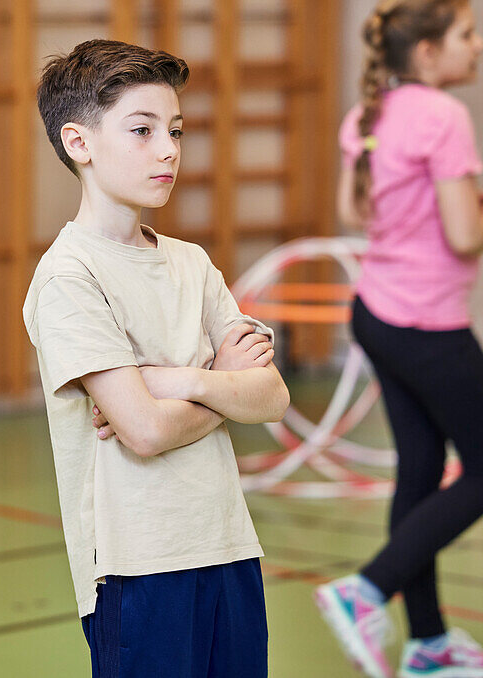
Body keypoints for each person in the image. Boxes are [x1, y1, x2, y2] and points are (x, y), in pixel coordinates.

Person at [23, 39, 290, 678]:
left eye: (174, 130)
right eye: (141, 131)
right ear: (79, 143)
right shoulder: (69, 276)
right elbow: (142, 431)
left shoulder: (191, 263)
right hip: (136, 568)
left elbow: (273, 398)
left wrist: (181, 381)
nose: (168, 149)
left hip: (228, 547)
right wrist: (226, 386)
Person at [314, 0, 483, 678]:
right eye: (467, 33)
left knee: (423, 472)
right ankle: (365, 588)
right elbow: (465, 234)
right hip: (428, 325)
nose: (479, 43)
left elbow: (353, 208)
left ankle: (428, 645)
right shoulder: (442, 115)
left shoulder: (368, 114)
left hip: (376, 314)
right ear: (429, 51)